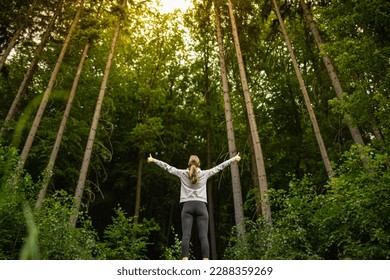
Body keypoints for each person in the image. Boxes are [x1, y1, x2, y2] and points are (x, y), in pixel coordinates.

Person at [147, 152, 241, 260]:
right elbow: (219, 167)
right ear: (199, 163)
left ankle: (185, 260)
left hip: (187, 207)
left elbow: (168, 168)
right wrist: (233, 159)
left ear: (188, 163)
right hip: (201, 207)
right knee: (203, 236)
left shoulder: (182, 173)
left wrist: (154, 160)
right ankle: (205, 260)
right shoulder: (205, 174)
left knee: (186, 235)